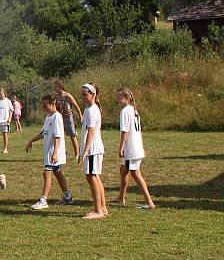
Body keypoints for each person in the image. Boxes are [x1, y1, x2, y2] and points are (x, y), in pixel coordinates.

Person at [25, 94, 73, 210]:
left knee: (47, 173)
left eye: (45, 105)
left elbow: (58, 136)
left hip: (53, 152)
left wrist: (55, 153)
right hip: (50, 152)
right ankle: (67, 197)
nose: (44, 107)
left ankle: (43, 200)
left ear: (53, 104)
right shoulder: (48, 117)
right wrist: (31, 141)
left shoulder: (57, 117)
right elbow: (43, 133)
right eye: (43, 105)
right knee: (57, 172)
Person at [112, 88, 156, 209]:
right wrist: (141, 147)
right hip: (136, 147)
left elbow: (124, 131)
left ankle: (149, 202)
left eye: (119, 97)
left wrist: (121, 147)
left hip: (131, 149)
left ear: (127, 98)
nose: (118, 100)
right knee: (123, 170)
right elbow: (139, 130)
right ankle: (120, 197)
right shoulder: (134, 110)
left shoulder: (125, 111)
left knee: (135, 173)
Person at [78, 83, 107, 220]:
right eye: (82, 94)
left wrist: (84, 152)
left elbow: (91, 132)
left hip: (93, 149)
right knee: (94, 177)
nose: (83, 97)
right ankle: (103, 208)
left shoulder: (92, 110)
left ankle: (98, 210)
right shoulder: (88, 109)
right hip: (92, 149)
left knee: (91, 177)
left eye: (85, 94)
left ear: (93, 95)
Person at [54, 80, 83, 162]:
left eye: (56, 87)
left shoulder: (67, 95)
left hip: (68, 117)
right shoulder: (56, 96)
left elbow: (76, 106)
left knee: (72, 136)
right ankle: (63, 152)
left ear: (60, 87)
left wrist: (81, 116)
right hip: (60, 118)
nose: (54, 89)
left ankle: (77, 155)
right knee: (60, 135)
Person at [0, 88, 14, 154]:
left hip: (5, 121)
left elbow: (11, 110)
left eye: (1, 94)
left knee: (5, 134)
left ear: (4, 94)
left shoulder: (8, 101)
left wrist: (9, 118)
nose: (0, 95)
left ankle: (5, 149)